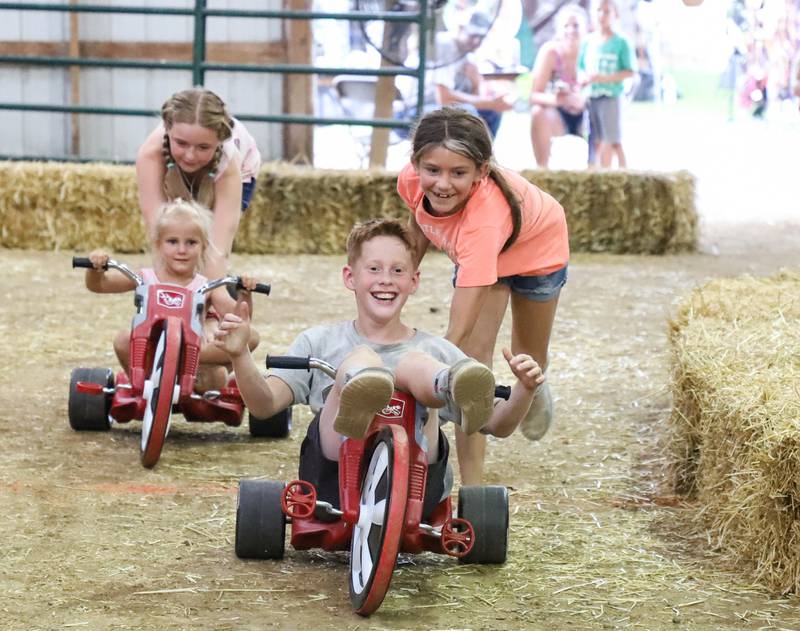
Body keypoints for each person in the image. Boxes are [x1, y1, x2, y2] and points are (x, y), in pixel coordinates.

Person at [214, 219, 545, 505]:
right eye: (374, 269)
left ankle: (446, 382)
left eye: (398, 271)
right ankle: (363, 380)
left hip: (418, 486)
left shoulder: (437, 349)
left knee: (418, 363)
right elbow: (264, 404)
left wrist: (524, 390)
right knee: (358, 360)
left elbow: (496, 426)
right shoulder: (320, 342)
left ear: (413, 281)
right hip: (335, 479)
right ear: (350, 277)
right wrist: (239, 355)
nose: (386, 279)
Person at [397, 106, 569, 485]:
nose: (442, 184)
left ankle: (532, 388)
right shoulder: (410, 181)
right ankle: (472, 484)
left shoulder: (484, 219)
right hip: (483, 253)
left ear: (482, 171)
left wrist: (429, 366)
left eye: (458, 173)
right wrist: (403, 273)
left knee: (527, 356)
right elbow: (420, 219)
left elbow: (454, 332)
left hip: (538, 249)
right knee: (472, 368)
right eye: (433, 171)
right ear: (415, 164)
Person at [84, 199, 259, 392]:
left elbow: (238, 317)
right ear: (158, 244)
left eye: (191, 242)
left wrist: (244, 295)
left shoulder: (206, 285)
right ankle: (140, 386)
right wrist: (96, 269)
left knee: (249, 338)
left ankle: (191, 368)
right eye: (172, 242)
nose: (182, 250)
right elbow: (99, 285)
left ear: (203, 246)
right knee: (123, 340)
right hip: (149, 352)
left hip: (193, 357)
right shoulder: (145, 278)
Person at [136, 88, 262, 280]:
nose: (190, 156)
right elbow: (158, 232)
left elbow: (219, 248)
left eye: (203, 147)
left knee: (205, 245)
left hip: (233, 172)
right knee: (176, 232)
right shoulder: (150, 155)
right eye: (181, 143)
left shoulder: (229, 164)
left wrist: (207, 294)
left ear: (218, 142)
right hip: (174, 171)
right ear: (167, 129)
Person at [397, 11, 514, 138]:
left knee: (489, 113)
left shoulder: (468, 55)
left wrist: (477, 84)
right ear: (461, 29)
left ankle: (482, 155)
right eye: (473, 35)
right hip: (413, 112)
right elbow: (444, 97)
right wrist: (490, 103)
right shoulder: (445, 46)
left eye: (480, 38)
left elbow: (474, 99)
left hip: (438, 110)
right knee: (467, 113)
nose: (476, 42)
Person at [529, 4, 588, 168]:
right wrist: (559, 100)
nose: (571, 30)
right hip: (558, 114)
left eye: (575, 25)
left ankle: (597, 167)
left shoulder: (592, 50)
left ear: (586, 28)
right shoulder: (550, 52)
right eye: (566, 26)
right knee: (537, 112)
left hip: (588, 113)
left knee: (603, 110)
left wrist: (582, 99)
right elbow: (533, 95)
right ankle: (543, 170)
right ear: (558, 30)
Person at [578, 0, 635, 169]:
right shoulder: (588, 41)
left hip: (611, 96)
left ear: (615, 15)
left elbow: (630, 71)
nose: (601, 15)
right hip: (592, 96)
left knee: (612, 139)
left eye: (606, 11)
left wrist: (604, 78)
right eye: (598, 11)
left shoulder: (621, 42)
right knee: (596, 138)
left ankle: (615, 172)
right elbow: (581, 67)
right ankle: (599, 170)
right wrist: (584, 79)